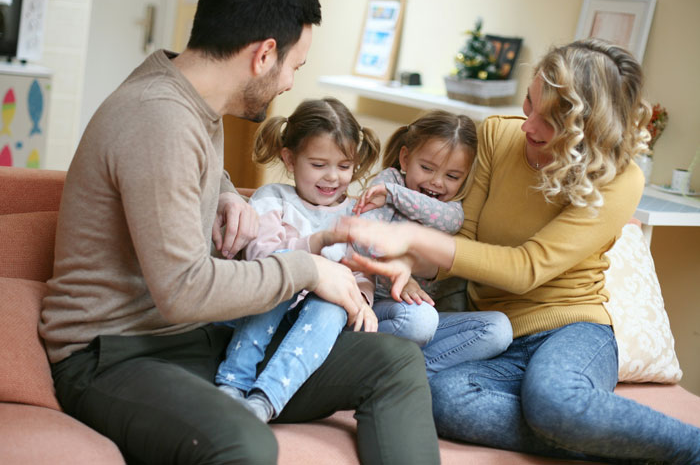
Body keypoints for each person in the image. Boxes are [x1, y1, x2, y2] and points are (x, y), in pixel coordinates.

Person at [39, 0, 440, 464]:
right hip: (114, 354)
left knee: (394, 361)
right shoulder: (158, 118)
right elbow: (183, 288)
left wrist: (226, 195)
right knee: (244, 443)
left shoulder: (189, 99)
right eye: (295, 66)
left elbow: (180, 170)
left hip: (185, 338)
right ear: (264, 54)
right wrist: (309, 269)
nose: (291, 81)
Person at [334, 38, 700, 463]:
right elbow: (464, 240)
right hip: (497, 335)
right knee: (440, 396)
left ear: (586, 130)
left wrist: (415, 240)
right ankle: (599, 438)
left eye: (549, 121)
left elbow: (527, 267)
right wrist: (405, 265)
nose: (528, 125)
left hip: (573, 329)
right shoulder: (496, 135)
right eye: (530, 102)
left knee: (555, 399)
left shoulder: (619, 178)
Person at [215, 97, 381, 422]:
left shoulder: (357, 214)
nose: (332, 177)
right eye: (318, 165)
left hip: (317, 326)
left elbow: (364, 272)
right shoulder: (272, 199)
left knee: (335, 302)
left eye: (344, 166)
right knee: (284, 263)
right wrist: (318, 241)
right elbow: (263, 259)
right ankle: (232, 384)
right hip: (267, 307)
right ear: (290, 160)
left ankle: (264, 401)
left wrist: (360, 300)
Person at [353, 110, 512, 376]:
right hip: (377, 306)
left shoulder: (402, 195)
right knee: (420, 322)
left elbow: (450, 220)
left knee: (499, 329)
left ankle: (406, 376)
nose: (436, 182)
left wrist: (395, 196)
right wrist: (397, 276)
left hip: (421, 311)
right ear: (405, 157)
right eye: (426, 168)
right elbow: (366, 240)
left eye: (452, 176)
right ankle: (357, 363)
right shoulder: (388, 181)